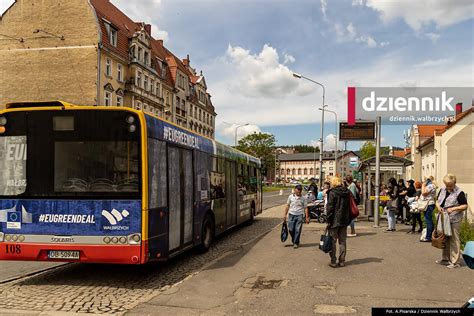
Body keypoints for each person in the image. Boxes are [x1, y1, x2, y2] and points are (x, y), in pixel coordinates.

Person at [435, 174, 468, 268]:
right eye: (447, 185)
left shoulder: (459, 192)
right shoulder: (442, 190)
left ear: (454, 183)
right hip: (444, 218)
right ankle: (445, 258)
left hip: (455, 219)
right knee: (444, 238)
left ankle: (455, 261)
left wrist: (454, 209)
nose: (448, 187)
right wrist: (439, 207)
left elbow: (465, 206)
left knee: (454, 239)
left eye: (450, 185)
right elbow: (437, 201)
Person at [325, 176, 351, 268]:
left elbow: (330, 207)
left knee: (333, 241)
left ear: (334, 183)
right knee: (342, 241)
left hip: (334, 220)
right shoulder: (347, 192)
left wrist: (328, 219)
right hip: (344, 219)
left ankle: (333, 261)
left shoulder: (332, 192)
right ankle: (342, 261)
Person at [283, 184, 309, 249]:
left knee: (297, 230)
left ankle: (296, 243)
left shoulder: (304, 198)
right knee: (291, 229)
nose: (298, 193)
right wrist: (285, 215)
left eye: (300, 192)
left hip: (300, 215)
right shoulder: (290, 197)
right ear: (294, 190)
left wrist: (306, 217)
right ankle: (294, 239)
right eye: (297, 191)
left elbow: (306, 208)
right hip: (291, 215)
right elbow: (287, 205)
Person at [420, 176, 436, 242]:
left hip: (428, 204)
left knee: (428, 220)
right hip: (428, 204)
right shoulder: (431, 185)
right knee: (428, 220)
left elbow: (423, 193)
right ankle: (430, 235)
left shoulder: (431, 186)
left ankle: (428, 237)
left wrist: (423, 186)